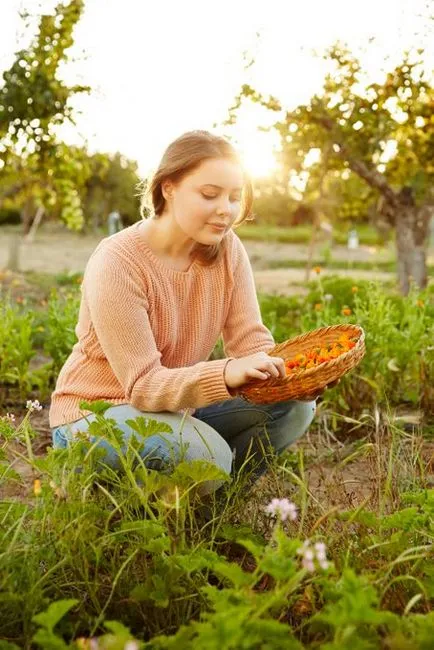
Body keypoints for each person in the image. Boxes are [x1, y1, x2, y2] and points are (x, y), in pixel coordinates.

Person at [49, 130, 320, 490]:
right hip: (95, 418)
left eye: (234, 197)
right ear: (168, 188)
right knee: (207, 459)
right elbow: (143, 387)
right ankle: (121, 498)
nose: (226, 209)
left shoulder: (227, 250)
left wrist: (288, 377)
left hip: (175, 410)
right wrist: (225, 374)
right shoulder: (117, 262)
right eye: (210, 194)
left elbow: (250, 341)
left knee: (293, 409)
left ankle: (212, 511)